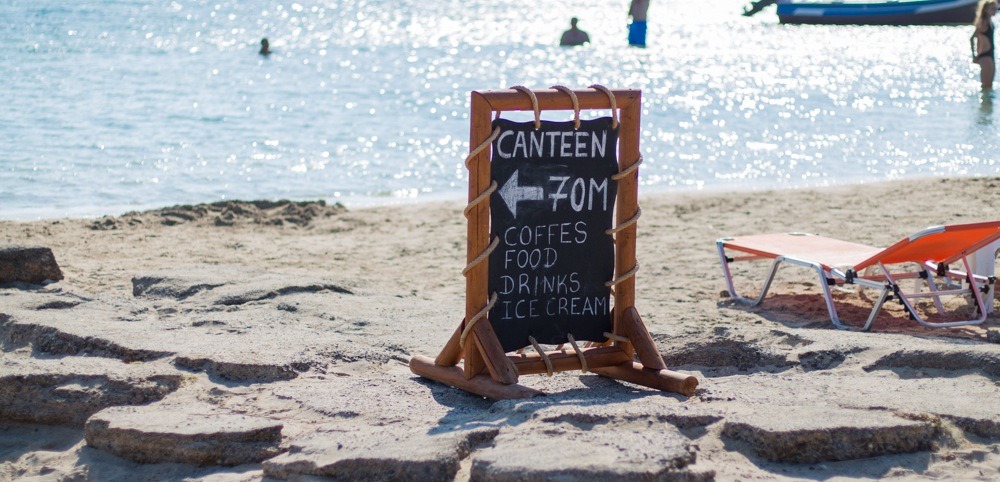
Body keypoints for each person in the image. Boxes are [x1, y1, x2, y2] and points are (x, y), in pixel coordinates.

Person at [972, 0, 997, 90]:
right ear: (986, 9)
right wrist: (975, 55)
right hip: (985, 55)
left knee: (989, 86)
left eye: (996, 8)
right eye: (992, 8)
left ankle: (987, 104)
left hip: (990, 55)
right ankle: (984, 103)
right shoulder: (983, 22)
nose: (995, 10)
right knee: (986, 87)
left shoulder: (989, 21)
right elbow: (973, 37)